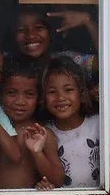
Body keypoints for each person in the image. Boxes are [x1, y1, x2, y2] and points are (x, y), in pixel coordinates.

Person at [0, 62, 65, 189]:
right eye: (12, 93)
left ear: (39, 99)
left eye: (29, 94)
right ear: (0, 96)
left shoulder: (41, 134)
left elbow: (58, 180)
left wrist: (37, 153)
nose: (20, 101)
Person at [41, 56, 100, 188]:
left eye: (68, 90)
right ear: (44, 98)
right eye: (52, 92)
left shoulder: (98, 124)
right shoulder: (44, 135)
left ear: (82, 94)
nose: (60, 97)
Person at [12, 5, 98, 76]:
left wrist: (87, 21)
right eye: (21, 30)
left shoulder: (67, 59)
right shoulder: (5, 63)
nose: (30, 35)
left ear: (50, 33)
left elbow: (107, 65)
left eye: (39, 28)